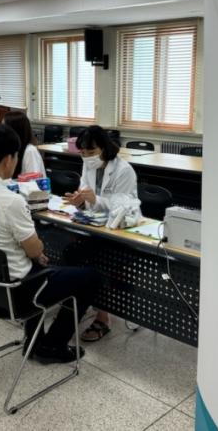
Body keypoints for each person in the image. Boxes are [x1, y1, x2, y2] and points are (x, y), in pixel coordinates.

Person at [0, 124, 100, 364]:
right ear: (9, 159)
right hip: (14, 294)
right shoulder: (10, 200)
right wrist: (35, 251)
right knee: (90, 277)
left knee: (33, 264)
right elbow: (36, 249)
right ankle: (53, 345)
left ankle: (34, 340)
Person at [64, 125, 138, 342]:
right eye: (83, 153)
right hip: (94, 228)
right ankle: (80, 300)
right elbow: (86, 196)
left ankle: (103, 317)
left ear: (104, 148)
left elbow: (122, 206)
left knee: (99, 260)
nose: (87, 157)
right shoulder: (88, 165)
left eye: (92, 151)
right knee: (69, 252)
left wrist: (95, 200)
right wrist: (79, 201)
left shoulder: (123, 170)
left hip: (119, 231)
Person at [2, 110, 45, 178]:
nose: (1, 131)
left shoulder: (30, 151)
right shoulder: (11, 148)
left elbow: (33, 180)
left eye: (4, 128)